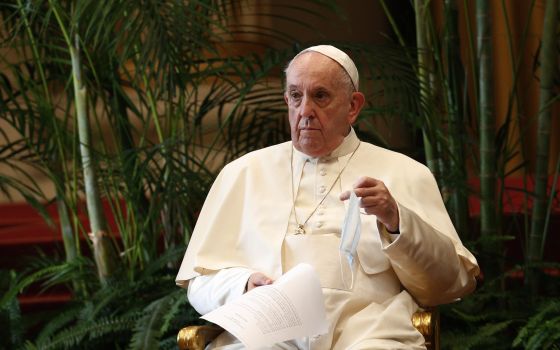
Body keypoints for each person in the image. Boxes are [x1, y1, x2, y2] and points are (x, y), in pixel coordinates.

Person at [176, 45, 479, 349]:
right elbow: (199, 280)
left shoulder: (405, 173)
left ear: (353, 106)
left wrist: (397, 220)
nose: (305, 110)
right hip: (269, 336)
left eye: (320, 96)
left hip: (371, 333)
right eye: (296, 96)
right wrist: (242, 284)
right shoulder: (241, 174)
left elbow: (445, 285)